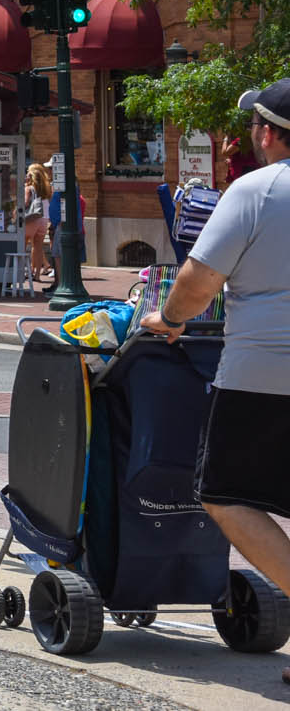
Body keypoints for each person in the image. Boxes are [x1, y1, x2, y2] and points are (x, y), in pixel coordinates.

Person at [142, 79, 290, 684]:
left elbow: (199, 281)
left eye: (256, 126)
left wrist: (169, 319)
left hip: (264, 370)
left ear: (268, 132)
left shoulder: (256, 191)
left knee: (226, 494)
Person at [21, 162, 54, 288]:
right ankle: (37, 275)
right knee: (38, 247)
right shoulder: (46, 188)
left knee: (22, 246)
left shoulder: (29, 189)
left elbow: (25, 203)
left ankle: (22, 272)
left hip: (32, 219)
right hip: (43, 219)